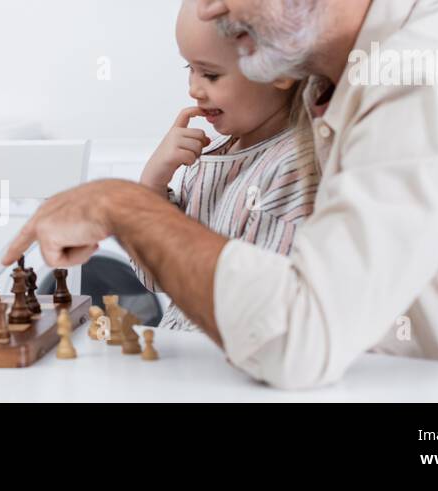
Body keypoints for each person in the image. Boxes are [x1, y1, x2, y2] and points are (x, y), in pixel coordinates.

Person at [4, 0, 438, 389]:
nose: (213, 8)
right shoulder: (339, 74)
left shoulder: (428, 75)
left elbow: (296, 338)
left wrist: (125, 204)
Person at [135, 0, 319, 332]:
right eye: (188, 69)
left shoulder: (292, 168)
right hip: (186, 357)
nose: (193, 89)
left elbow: (259, 306)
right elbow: (156, 278)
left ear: (277, 71)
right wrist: (153, 183)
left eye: (211, 74)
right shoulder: (207, 160)